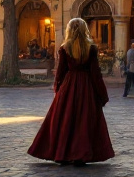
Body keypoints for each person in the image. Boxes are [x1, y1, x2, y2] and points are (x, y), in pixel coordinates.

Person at [27, 18, 114, 165]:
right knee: (83, 120)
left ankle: (63, 153)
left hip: (69, 86)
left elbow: (61, 71)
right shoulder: (90, 48)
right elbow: (95, 74)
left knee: (66, 119)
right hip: (86, 87)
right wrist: (102, 94)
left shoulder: (65, 48)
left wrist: (57, 89)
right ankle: (81, 154)